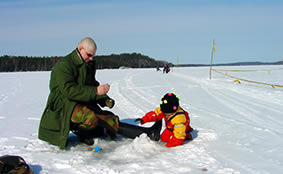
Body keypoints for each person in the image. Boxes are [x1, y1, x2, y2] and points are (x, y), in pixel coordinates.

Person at [38, 37, 161, 149]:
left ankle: (149, 133)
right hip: (63, 106)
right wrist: (96, 91)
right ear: (80, 49)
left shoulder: (87, 64)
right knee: (90, 117)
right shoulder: (64, 66)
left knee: (109, 119)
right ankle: (83, 133)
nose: (91, 58)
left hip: (80, 101)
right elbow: (69, 90)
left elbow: (92, 85)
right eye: (89, 55)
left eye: (93, 56)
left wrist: (104, 99)